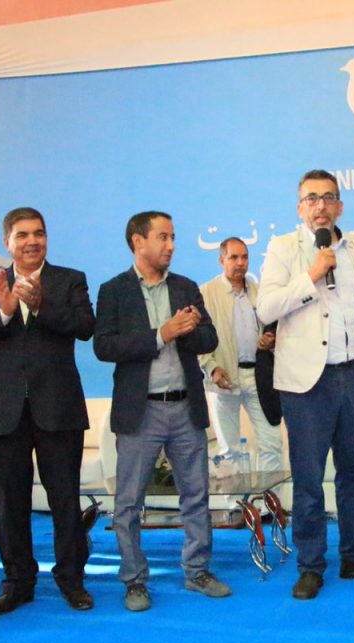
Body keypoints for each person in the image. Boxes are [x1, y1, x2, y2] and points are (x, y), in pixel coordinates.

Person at [257, 169, 354, 600]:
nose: (320, 205)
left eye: (328, 197)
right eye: (311, 198)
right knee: (308, 479)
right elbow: (266, 308)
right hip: (306, 383)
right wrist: (312, 275)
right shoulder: (284, 248)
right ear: (300, 207)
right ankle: (311, 566)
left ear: (340, 205)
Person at [0, 207, 95, 616]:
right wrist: (3, 313)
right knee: (8, 504)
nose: (32, 241)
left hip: (58, 407)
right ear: (7, 243)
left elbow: (85, 326)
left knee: (65, 500)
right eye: (22, 235)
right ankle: (17, 583)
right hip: (4, 410)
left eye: (39, 233)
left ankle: (71, 579)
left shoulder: (69, 279)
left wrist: (40, 305)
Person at [94, 211, 230, 612]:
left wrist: (188, 332)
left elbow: (209, 338)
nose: (171, 245)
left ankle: (197, 571)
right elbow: (105, 347)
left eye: (173, 237)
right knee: (128, 503)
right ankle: (135, 580)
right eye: (163, 237)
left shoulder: (185, 287)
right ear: (138, 241)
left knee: (196, 496)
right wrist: (160, 335)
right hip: (141, 411)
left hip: (185, 407)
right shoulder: (114, 291)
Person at [199, 237, 282, 474]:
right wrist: (211, 368)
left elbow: (274, 328)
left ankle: (269, 498)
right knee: (229, 451)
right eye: (233, 257)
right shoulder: (205, 293)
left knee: (271, 445)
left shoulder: (259, 291)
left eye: (244, 257)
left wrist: (270, 340)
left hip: (259, 377)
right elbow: (198, 339)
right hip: (223, 378)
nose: (240, 263)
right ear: (221, 260)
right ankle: (234, 498)